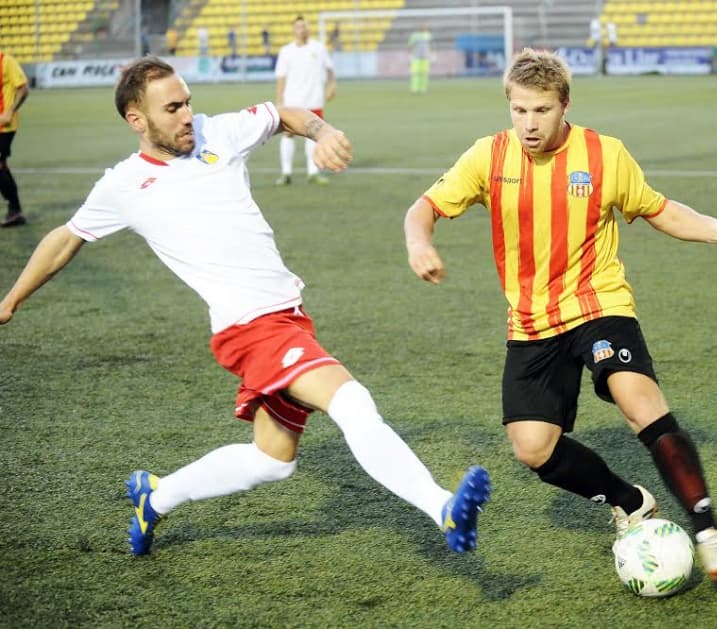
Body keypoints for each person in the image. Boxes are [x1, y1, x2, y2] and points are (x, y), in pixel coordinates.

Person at [0, 57, 490, 556]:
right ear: (137, 120)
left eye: (188, 101)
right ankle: (443, 508)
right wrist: (10, 300)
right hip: (249, 327)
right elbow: (65, 239)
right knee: (351, 401)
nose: (187, 114)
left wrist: (322, 131)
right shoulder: (123, 186)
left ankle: (156, 496)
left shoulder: (219, 133)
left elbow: (285, 114)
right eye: (172, 108)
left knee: (272, 460)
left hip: (286, 315)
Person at [404, 49, 717, 583]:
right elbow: (424, 206)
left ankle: (708, 530)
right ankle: (629, 501)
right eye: (519, 110)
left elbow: (657, 208)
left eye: (541, 110)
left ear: (564, 104)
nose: (529, 124)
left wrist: (715, 227)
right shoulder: (488, 156)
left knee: (636, 398)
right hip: (530, 322)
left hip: (598, 304)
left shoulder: (604, 154)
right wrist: (418, 242)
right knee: (532, 447)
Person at [274, 15, 336, 186]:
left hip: (314, 100)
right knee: (288, 134)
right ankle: (286, 173)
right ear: (294, 30)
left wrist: (331, 86)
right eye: (299, 26)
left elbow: (330, 68)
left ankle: (313, 172)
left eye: (305, 26)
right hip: (292, 101)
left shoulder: (318, 48)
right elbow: (281, 77)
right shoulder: (286, 51)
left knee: (314, 136)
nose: (303, 29)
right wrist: (279, 101)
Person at [0, 49, 29, 228]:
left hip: (4, 126)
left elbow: (23, 89)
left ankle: (15, 209)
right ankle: (14, 210)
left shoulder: (6, 60)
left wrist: (10, 111)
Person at [408, 23, 432, 94]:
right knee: (415, 74)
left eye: (424, 27)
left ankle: (423, 89)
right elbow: (410, 45)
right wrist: (410, 53)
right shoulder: (414, 36)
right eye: (422, 27)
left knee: (424, 74)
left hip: (425, 57)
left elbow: (429, 45)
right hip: (416, 57)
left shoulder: (428, 35)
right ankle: (415, 89)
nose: (423, 28)